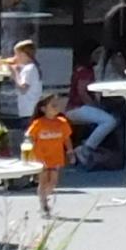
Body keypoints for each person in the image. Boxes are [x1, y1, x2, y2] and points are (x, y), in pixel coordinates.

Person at [21, 77, 75, 208]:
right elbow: (29, 137)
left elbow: (66, 138)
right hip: (41, 156)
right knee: (43, 180)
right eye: (53, 105)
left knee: (53, 181)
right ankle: (43, 203)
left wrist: (70, 152)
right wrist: (29, 153)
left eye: (57, 105)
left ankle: (45, 196)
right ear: (43, 108)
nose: (56, 108)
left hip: (56, 156)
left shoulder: (62, 123)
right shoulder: (38, 123)